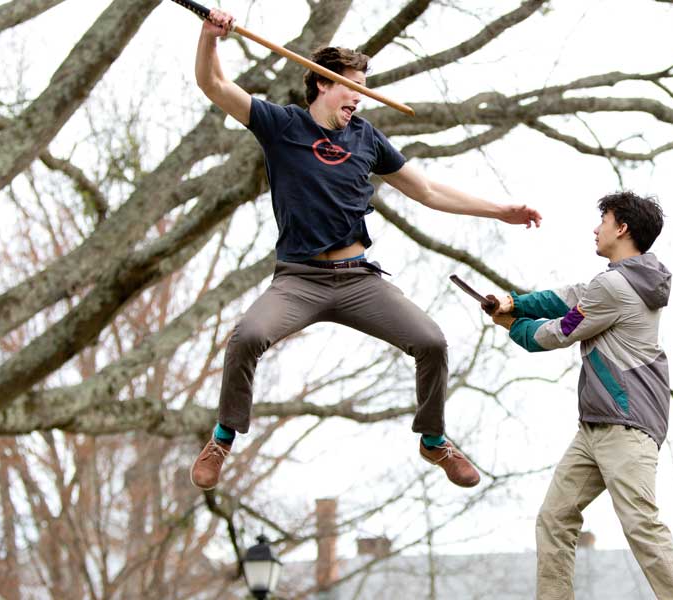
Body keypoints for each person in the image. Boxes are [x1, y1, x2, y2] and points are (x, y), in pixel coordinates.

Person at [188, 9, 542, 491]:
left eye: (362, 87)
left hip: (358, 279)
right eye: (347, 85)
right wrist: (210, 39)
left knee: (432, 342)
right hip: (299, 280)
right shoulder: (280, 124)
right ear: (320, 85)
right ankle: (223, 436)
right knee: (247, 336)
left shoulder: (367, 138)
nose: (357, 96)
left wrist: (500, 210)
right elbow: (213, 85)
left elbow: (430, 191)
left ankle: (433, 440)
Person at [488, 191, 673, 599]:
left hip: (626, 425)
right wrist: (514, 301)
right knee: (555, 518)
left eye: (603, 220)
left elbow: (558, 331)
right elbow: (565, 295)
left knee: (641, 524)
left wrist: (511, 324)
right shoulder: (618, 281)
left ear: (622, 229)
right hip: (595, 427)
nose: (595, 229)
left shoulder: (616, 286)